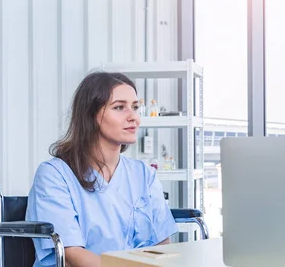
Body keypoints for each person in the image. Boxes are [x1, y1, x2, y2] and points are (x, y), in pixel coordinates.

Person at [26, 72, 177, 267]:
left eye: (135, 107)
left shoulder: (144, 175)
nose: (134, 117)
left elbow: (162, 244)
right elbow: (72, 254)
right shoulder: (54, 175)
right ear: (91, 115)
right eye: (119, 107)